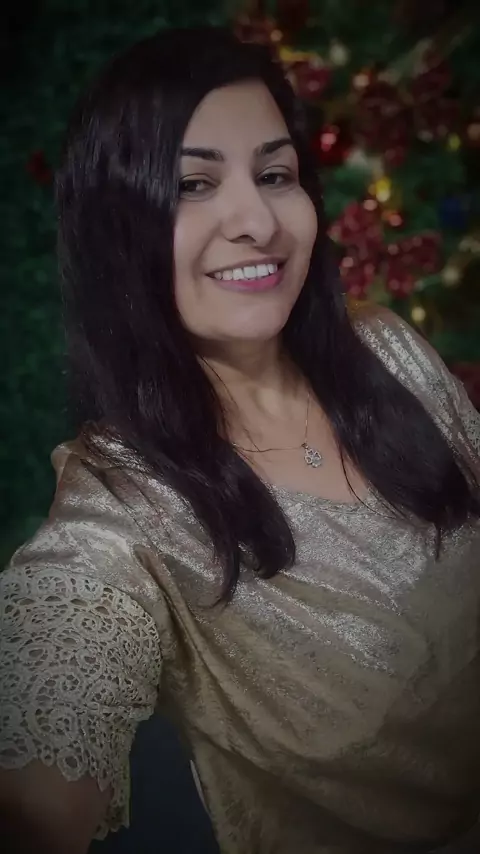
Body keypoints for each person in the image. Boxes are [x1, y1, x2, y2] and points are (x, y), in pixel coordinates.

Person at [0, 26, 479, 854]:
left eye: (274, 174)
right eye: (192, 185)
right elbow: (42, 760)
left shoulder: (388, 351)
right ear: (119, 229)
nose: (257, 220)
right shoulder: (121, 508)